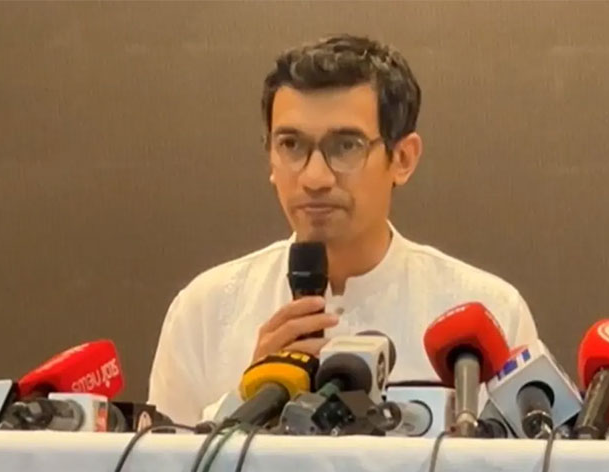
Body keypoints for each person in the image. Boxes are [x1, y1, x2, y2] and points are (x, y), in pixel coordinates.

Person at [148, 34, 538, 426]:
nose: (314, 177)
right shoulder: (205, 311)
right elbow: (159, 458)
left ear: (403, 159)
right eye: (291, 145)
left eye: (346, 146)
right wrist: (252, 399)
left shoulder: (490, 311)